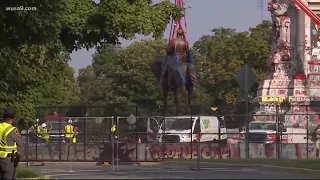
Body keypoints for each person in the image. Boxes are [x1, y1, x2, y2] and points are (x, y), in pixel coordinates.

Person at [0, 107, 23, 180]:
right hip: (8, 160)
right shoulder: (12, 130)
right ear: (12, 119)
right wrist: (18, 156)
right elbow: (20, 144)